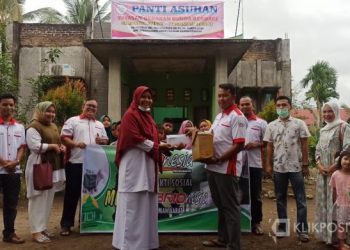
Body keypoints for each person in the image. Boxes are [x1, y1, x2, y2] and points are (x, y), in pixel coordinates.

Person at [112, 86, 173, 250]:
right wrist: (158, 147)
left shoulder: (149, 117)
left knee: (146, 204)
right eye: (143, 97)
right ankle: (128, 245)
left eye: (149, 98)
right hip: (134, 164)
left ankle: (145, 243)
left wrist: (161, 147)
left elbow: (152, 141)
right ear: (136, 97)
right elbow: (135, 138)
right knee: (132, 204)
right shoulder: (130, 115)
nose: (147, 100)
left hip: (147, 165)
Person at [201, 83, 248, 250]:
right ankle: (222, 239)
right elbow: (212, 138)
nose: (221, 99)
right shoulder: (219, 116)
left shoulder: (238, 116)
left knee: (230, 207)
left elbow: (239, 145)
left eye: (225, 95)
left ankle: (233, 245)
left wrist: (219, 159)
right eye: (219, 95)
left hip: (226, 169)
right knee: (220, 206)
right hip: (213, 168)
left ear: (233, 96)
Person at [264, 95, 310, 242]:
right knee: (280, 199)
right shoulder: (271, 125)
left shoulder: (299, 124)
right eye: (279, 105)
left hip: (296, 167)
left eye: (284, 105)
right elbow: (269, 146)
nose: (281, 108)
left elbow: (304, 144)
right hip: (279, 167)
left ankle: (302, 231)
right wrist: (268, 164)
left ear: (290, 106)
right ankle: (283, 229)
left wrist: (305, 164)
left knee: (301, 199)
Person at [60, 99, 108, 236]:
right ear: (83, 107)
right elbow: (64, 138)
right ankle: (66, 225)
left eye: (94, 106)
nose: (91, 108)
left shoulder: (99, 124)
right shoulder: (72, 121)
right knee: (72, 194)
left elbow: (105, 140)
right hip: (75, 162)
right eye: (89, 106)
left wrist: (102, 141)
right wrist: (75, 144)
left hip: (92, 166)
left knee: (89, 195)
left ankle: (85, 223)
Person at [25, 101, 66, 243]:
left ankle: (42, 227)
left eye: (53, 112)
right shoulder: (33, 127)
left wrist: (61, 147)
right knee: (38, 199)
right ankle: (35, 231)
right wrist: (53, 146)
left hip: (52, 166)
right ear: (40, 111)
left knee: (48, 199)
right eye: (48, 111)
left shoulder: (53, 126)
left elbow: (57, 142)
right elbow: (35, 146)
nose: (51, 114)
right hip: (39, 166)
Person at [315, 102, 350, 245]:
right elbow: (317, 150)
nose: (327, 114)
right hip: (322, 173)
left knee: (336, 203)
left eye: (330, 111)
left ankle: (337, 238)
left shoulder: (343, 127)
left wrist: (333, 166)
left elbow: (347, 148)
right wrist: (319, 165)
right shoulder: (323, 130)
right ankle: (325, 236)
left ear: (336, 111)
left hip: (338, 174)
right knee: (324, 203)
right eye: (324, 112)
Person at [239, 96, 267, 235]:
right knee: (238, 194)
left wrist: (256, 144)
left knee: (255, 194)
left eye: (247, 104)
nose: (244, 107)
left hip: (255, 164)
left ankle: (256, 223)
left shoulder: (261, 123)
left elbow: (268, 142)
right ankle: (241, 222)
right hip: (237, 164)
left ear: (252, 105)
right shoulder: (236, 122)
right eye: (242, 104)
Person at [0, 93, 26, 244]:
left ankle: (9, 234)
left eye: (11, 105)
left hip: (13, 172)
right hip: (2, 168)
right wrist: (4, 163)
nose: (8, 107)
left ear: (14, 107)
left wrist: (16, 162)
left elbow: (22, 147)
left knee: (11, 204)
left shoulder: (20, 127)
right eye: (5, 104)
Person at [329, 149, 350, 250]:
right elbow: (333, 190)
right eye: (346, 159)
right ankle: (341, 243)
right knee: (341, 225)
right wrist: (335, 202)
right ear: (340, 159)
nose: (348, 162)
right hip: (341, 204)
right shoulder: (335, 174)